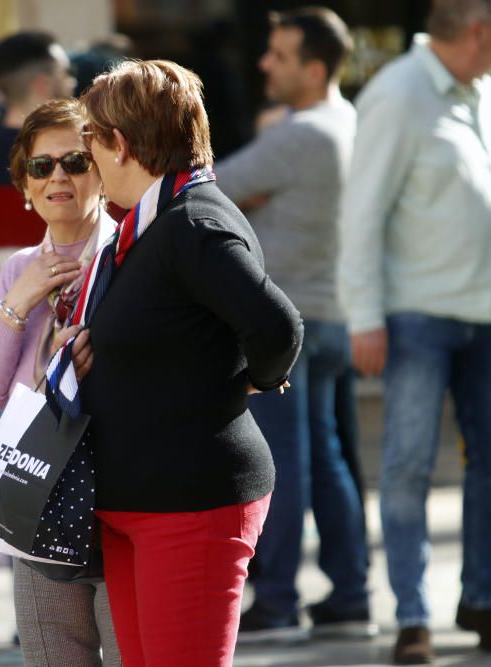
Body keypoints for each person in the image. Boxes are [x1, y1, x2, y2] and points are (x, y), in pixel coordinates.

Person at [61, 59, 303, 666]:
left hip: (190, 502)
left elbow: (278, 325)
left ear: (119, 143)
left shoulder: (192, 222)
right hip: (137, 499)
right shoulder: (152, 222)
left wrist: (251, 381)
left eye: (89, 140)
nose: (85, 156)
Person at [214, 7, 374, 643]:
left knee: (282, 466)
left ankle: (278, 597)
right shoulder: (350, 122)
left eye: (277, 56)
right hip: (335, 311)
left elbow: (209, 193)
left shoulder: (300, 134)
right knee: (332, 462)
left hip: (290, 322)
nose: (263, 64)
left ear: (313, 68)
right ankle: (351, 591)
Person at [338, 0, 491, 662]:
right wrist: (364, 314)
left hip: (484, 315)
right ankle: (412, 615)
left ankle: (481, 598)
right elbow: (361, 213)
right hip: (415, 317)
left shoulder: (481, 89)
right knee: (405, 466)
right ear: (481, 33)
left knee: (489, 466)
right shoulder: (397, 93)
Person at [0, 98, 121, 666]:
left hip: (124, 500)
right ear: (24, 186)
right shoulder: (18, 268)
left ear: (103, 170)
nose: (58, 177)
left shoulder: (131, 255)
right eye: (41, 166)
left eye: (75, 162)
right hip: (40, 498)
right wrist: (20, 302)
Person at [0, 31, 76, 271]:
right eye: (65, 73)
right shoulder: (68, 150)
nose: (72, 82)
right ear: (42, 84)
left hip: (10, 292)